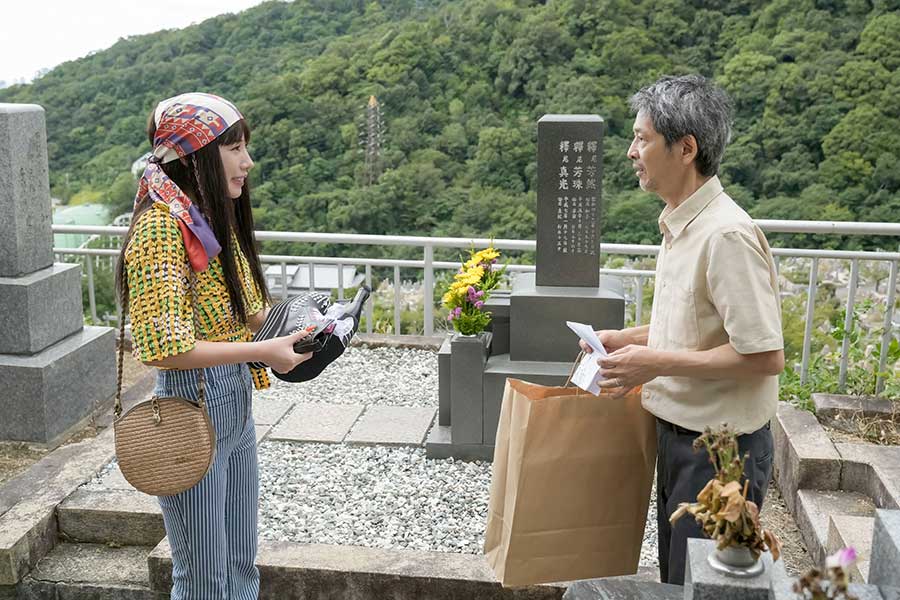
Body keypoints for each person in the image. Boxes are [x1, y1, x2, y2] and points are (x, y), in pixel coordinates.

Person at [580, 75, 785, 585]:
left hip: (722, 451)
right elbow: (693, 325)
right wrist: (627, 339)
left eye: (642, 138)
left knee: (706, 587)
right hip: (680, 438)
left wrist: (654, 363)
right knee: (679, 579)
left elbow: (763, 356)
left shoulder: (726, 236)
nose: (631, 151)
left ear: (685, 148)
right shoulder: (681, 222)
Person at [116, 92, 313, 599]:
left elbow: (249, 313)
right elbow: (164, 348)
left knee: (240, 569)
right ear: (195, 153)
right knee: (203, 580)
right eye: (236, 149)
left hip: (233, 405)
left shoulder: (204, 216)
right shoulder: (160, 227)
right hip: (187, 409)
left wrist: (310, 329)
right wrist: (260, 352)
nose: (248, 162)